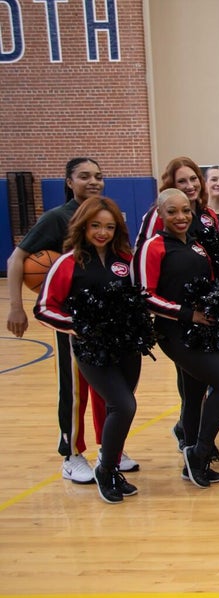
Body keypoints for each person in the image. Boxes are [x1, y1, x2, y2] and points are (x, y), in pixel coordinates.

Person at [7, 157, 126, 483]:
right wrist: (16, 306)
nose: (93, 181)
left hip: (110, 323)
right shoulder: (57, 218)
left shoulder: (106, 213)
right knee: (75, 389)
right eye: (84, 176)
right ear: (69, 182)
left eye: (99, 176)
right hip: (72, 320)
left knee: (110, 388)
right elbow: (17, 257)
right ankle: (71, 453)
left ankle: (110, 447)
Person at [35, 197, 151, 502]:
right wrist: (77, 326)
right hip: (91, 351)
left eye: (109, 227)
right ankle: (103, 469)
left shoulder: (126, 260)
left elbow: (142, 296)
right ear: (82, 225)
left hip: (127, 347)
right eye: (96, 225)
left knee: (120, 408)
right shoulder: (68, 261)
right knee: (123, 405)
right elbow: (45, 308)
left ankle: (110, 467)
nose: (102, 232)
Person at [136, 188, 219, 488]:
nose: (180, 217)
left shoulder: (195, 245)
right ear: (160, 214)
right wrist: (187, 314)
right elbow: (144, 296)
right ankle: (199, 451)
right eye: (172, 212)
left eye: (185, 211)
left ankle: (192, 462)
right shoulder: (152, 247)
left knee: (194, 394)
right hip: (174, 333)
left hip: (202, 331)